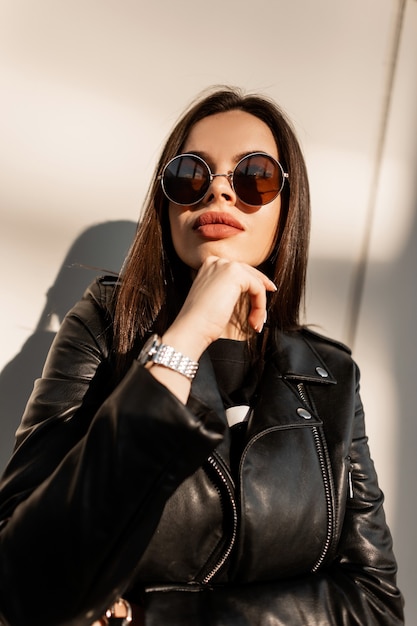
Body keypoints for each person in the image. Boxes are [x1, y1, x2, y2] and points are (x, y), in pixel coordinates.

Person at [0, 86, 404, 626]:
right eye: (190, 175)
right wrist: (186, 336)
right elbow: (21, 581)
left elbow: (374, 604)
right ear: (166, 204)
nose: (217, 194)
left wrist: (153, 617)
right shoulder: (104, 327)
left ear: (287, 210)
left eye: (253, 176)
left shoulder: (332, 374)